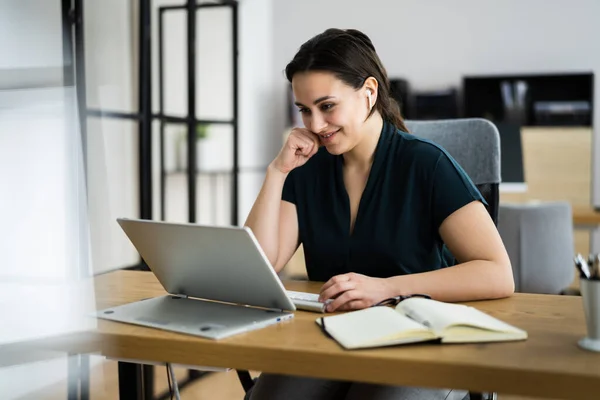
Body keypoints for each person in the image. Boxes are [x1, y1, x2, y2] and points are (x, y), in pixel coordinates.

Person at [244, 28, 514, 400]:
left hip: (418, 338)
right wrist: (276, 171)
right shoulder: (306, 169)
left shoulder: (427, 164)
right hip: (330, 337)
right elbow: (260, 266)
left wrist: (386, 289)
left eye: (327, 106)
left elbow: (497, 273)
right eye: (304, 110)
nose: (315, 125)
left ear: (369, 93)